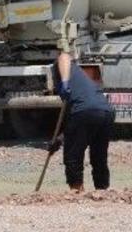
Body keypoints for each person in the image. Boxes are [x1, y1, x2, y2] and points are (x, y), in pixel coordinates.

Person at [49, 52, 114, 192]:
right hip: (105, 111)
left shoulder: (65, 69)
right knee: (99, 157)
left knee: (73, 156)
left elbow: (64, 56)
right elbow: (70, 122)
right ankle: (102, 191)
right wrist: (58, 140)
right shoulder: (80, 78)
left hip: (85, 111)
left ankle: (76, 191)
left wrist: (64, 82)